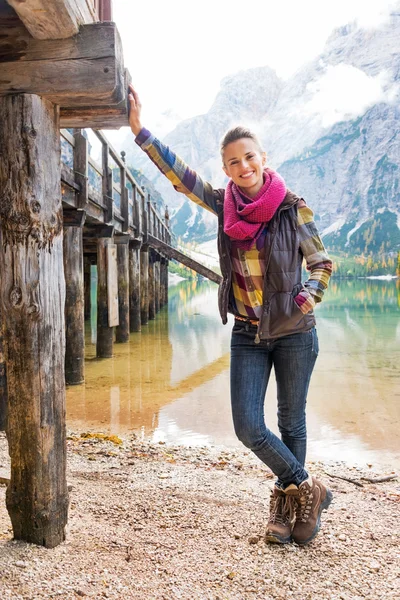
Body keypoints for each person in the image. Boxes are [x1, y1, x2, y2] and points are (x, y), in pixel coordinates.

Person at [128, 84, 333, 546]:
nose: (244, 167)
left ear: (264, 157)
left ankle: (289, 510)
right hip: (247, 332)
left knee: (292, 421)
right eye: (234, 162)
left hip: (295, 331)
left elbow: (321, 263)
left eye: (250, 157)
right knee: (247, 425)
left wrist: (305, 299)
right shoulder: (223, 205)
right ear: (225, 169)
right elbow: (181, 178)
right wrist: (140, 132)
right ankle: (309, 487)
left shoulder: (292, 208)